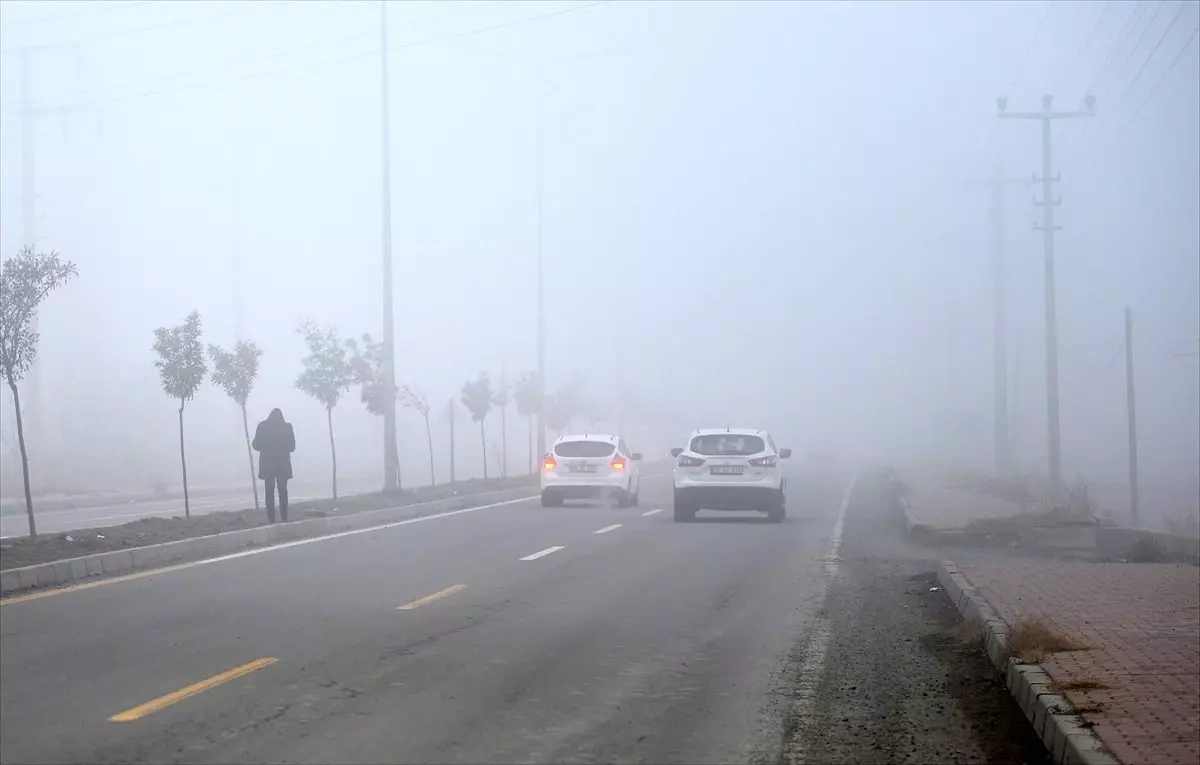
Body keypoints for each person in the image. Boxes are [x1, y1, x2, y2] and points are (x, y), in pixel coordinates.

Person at [252, 408, 295, 523]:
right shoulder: (287, 427)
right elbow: (292, 447)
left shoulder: (263, 426)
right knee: (283, 491)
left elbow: (255, 445)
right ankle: (284, 516)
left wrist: (267, 447)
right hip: (282, 465)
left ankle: (271, 518)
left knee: (269, 492)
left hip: (267, 464)